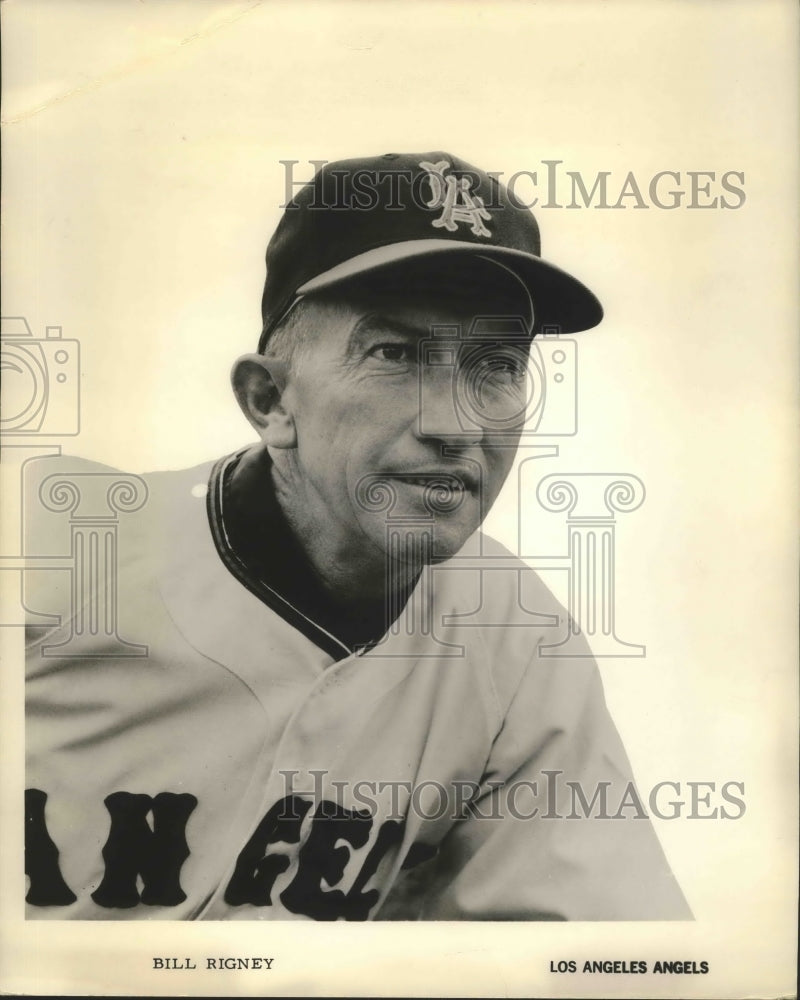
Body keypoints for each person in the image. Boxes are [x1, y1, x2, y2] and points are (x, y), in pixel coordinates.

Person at [24, 152, 690, 920]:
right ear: (270, 399)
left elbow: (599, 958)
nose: (454, 425)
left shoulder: (512, 636)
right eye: (395, 354)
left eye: (496, 365)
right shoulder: (59, 545)